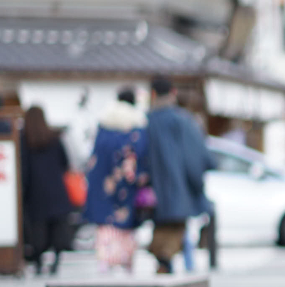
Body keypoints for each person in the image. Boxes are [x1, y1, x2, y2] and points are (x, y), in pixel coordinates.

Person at [143, 77, 212, 274]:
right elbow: (197, 159)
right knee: (176, 233)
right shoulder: (183, 120)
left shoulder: (147, 122)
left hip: (153, 195)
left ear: (153, 94)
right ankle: (176, 266)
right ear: (173, 92)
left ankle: (166, 264)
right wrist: (197, 186)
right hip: (180, 192)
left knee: (163, 233)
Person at [83, 87, 149, 273]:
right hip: (127, 187)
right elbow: (139, 158)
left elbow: (94, 157)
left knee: (105, 225)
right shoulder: (137, 127)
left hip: (102, 184)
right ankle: (126, 262)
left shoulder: (104, 124)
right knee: (125, 225)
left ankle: (104, 261)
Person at [20, 105, 75, 275]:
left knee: (38, 230)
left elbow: (24, 168)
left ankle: (38, 262)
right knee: (57, 228)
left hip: (35, 192)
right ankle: (56, 260)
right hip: (56, 191)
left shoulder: (24, 139)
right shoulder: (54, 137)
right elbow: (65, 163)